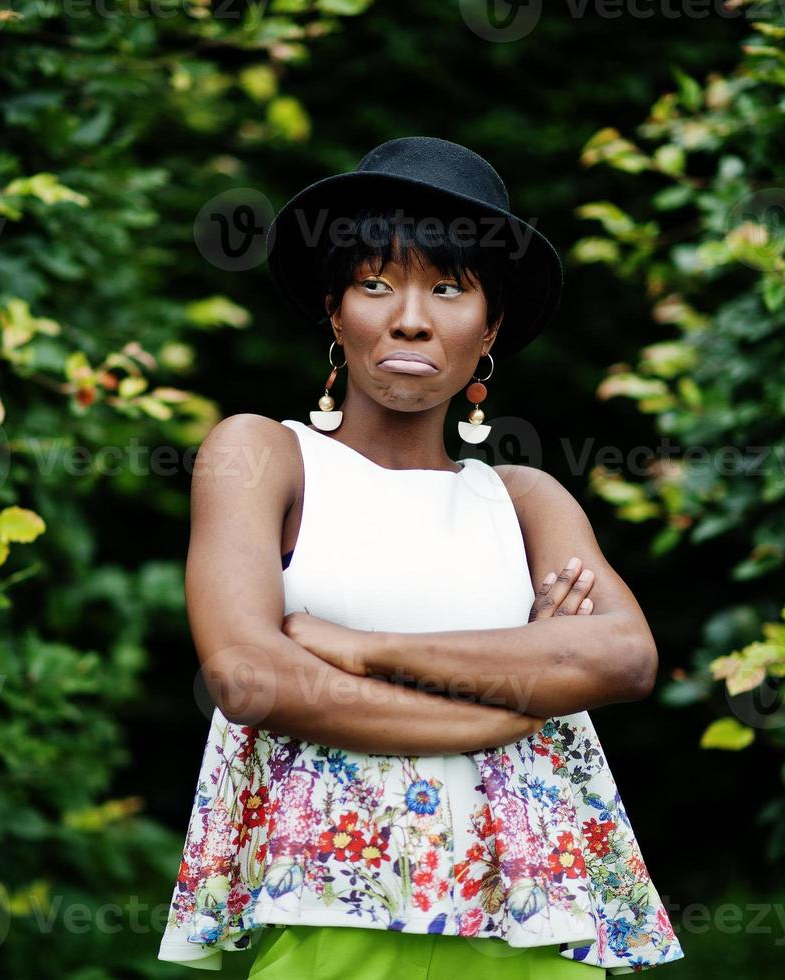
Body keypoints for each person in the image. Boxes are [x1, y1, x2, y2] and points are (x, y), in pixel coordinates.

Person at [158, 137, 684, 977]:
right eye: (375, 283)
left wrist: (365, 649)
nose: (410, 316)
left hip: (535, 908)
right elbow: (251, 678)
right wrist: (511, 706)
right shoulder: (263, 455)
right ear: (335, 311)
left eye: (447, 288)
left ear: (490, 328)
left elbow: (621, 657)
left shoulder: (521, 499)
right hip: (332, 898)